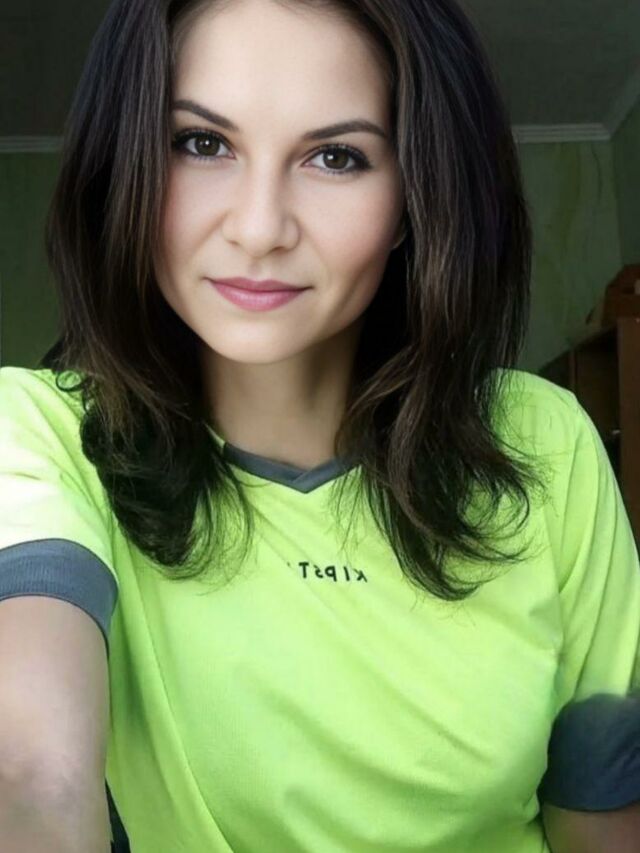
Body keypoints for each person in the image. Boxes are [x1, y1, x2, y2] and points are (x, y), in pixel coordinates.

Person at [0, 0, 639, 851]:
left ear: (411, 197)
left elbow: (601, 814)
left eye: (336, 157)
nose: (259, 228)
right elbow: (32, 774)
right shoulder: (43, 434)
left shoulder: (545, 442)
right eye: (202, 142)